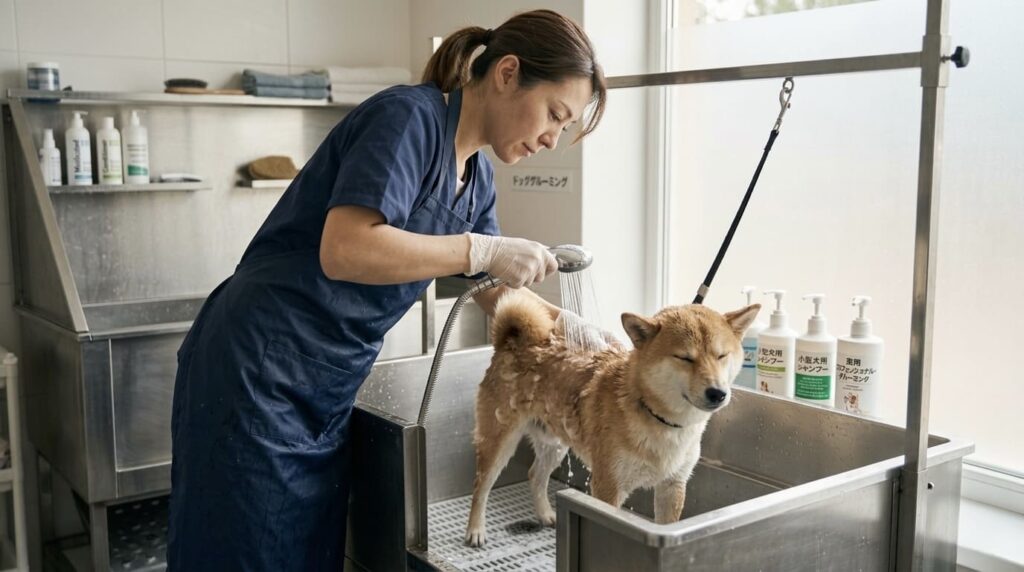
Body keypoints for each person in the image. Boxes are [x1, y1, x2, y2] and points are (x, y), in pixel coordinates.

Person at [167, 8, 607, 571]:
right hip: (258, 366)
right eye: (554, 114)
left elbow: (495, 291)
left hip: (323, 386)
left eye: (564, 128)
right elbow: (345, 248)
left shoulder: (477, 180)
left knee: (302, 552)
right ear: (507, 73)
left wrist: (577, 331)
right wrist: (482, 249)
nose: (551, 138)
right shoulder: (409, 119)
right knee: (239, 552)